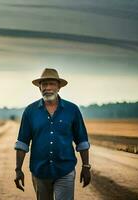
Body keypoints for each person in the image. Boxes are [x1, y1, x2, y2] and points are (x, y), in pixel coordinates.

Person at [14, 68, 91, 200]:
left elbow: (82, 140)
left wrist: (86, 167)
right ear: (39, 88)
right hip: (40, 171)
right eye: (44, 84)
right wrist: (18, 170)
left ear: (59, 87)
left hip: (65, 170)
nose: (48, 88)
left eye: (52, 84)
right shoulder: (30, 111)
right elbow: (22, 143)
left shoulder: (72, 110)